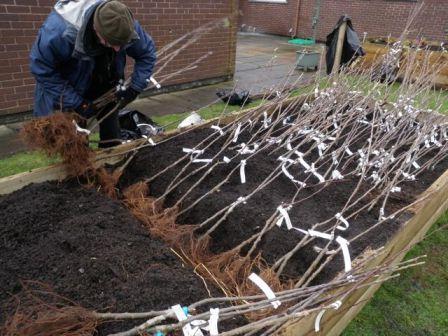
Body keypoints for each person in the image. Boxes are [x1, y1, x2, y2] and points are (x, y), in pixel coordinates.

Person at [30, 0, 156, 147]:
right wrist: (78, 103)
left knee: (112, 137)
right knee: (77, 144)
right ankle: (83, 167)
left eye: (121, 44)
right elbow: (43, 71)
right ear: (96, 29)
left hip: (106, 87)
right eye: (111, 43)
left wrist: (135, 87)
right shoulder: (57, 33)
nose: (117, 49)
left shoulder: (123, 23)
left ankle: (112, 162)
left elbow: (147, 53)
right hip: (72, 89)